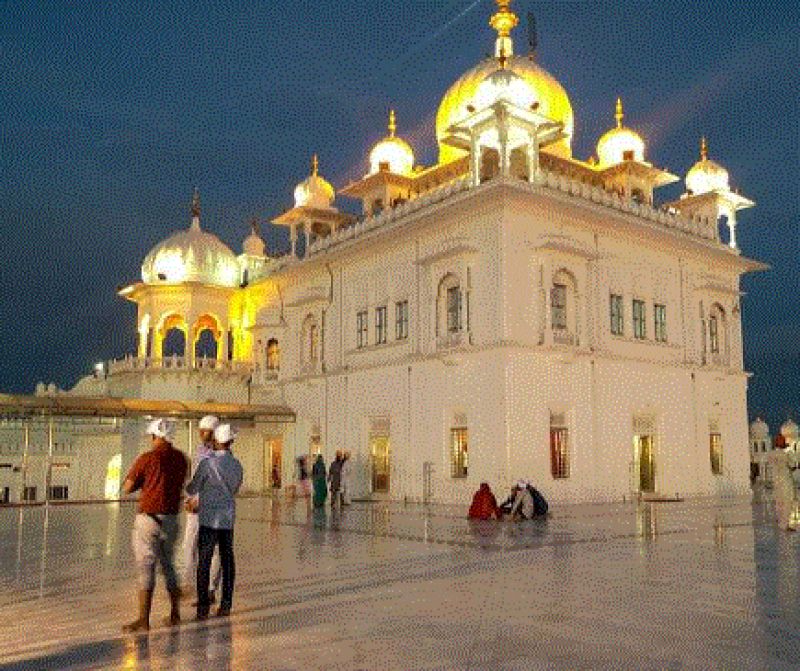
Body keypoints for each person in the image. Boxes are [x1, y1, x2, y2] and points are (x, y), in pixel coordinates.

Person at [121, 418, 189, 632]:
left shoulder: (147, 458)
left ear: (154, 436)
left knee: (146, 567)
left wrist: (140, 481)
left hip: (148, 520)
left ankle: (144, 620)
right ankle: (175, 614)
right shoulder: (181, 458)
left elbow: (127, 487)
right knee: (169, 566)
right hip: (171, 520)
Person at [187, 423, 244, 618]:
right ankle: (226, 604)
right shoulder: (237, 465)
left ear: (215, 441)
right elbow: (235, 488)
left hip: (209, 519)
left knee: (204, 560)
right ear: (231, 441)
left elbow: (193, 487)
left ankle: (203, 606)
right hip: (227, 519)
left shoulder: (207, 464)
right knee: (227, 560)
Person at [182, 415, 222, 602]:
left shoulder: (220, 455)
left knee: (213, 549)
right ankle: (194, 585)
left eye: (206, 431)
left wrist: (200, 501)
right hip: (195, 510)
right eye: (201, 431)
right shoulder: (200, 451)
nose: (202, 434)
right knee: (189, 547)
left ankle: (210, 589)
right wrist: (189, 498)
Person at [767, 444, 798, 531]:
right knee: (787, 502)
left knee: (779, 502)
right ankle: (785, 525)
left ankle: (780, 522)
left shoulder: (771, 454)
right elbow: (793, 466)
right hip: (785, 481)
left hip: (776, 481)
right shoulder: (786, 453)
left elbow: (770, 465)